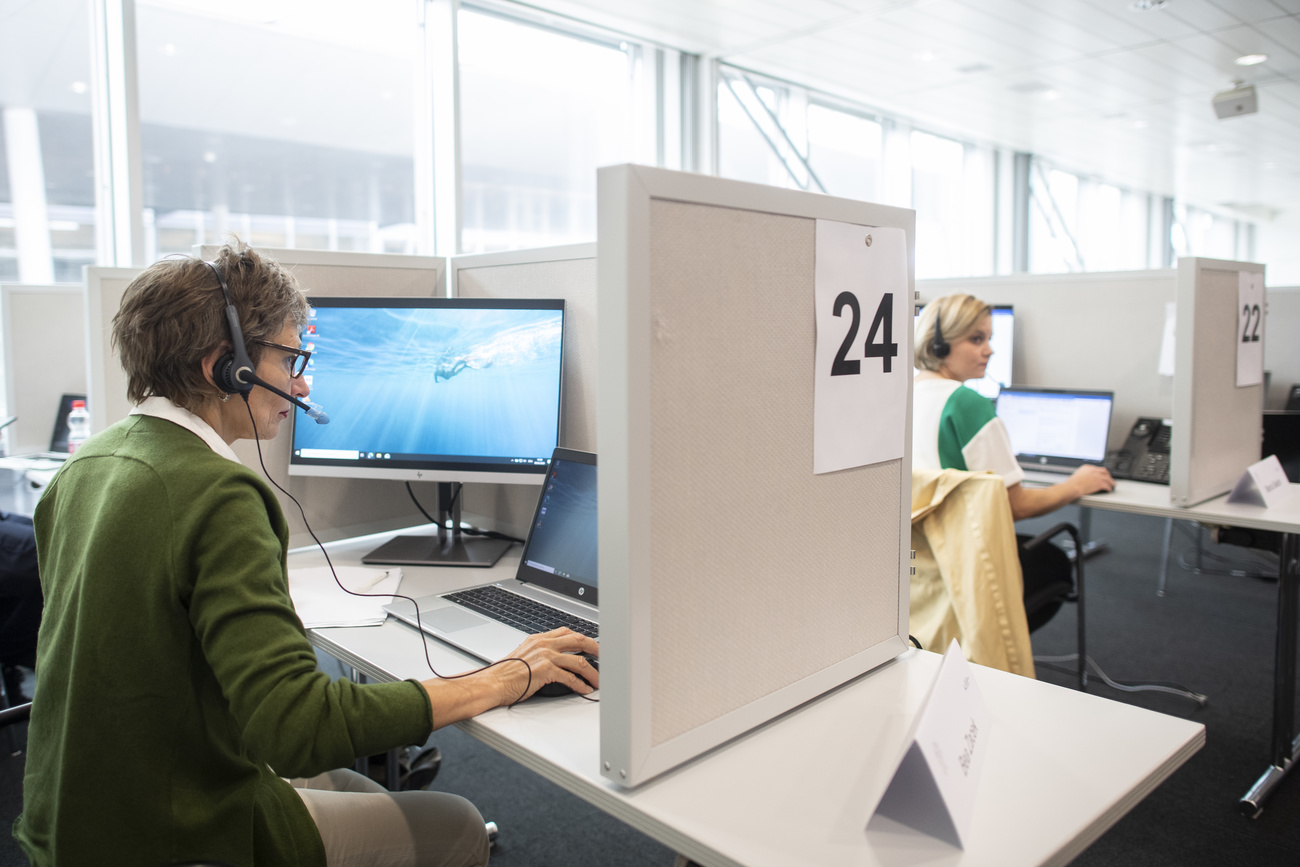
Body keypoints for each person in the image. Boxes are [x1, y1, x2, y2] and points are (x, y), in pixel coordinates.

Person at [16, 242, 599, 867]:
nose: (301, 383)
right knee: (455, 823)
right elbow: (298, 730)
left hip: (74, 819)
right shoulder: (217, 494)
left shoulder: (87, 465)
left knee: (357, 789)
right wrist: (505, 677)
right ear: (227, 368)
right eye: (292, 359)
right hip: (171, 831)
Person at [912, 293, 1114, 627]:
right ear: (938, 345)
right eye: (977, 339)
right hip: (963, 567)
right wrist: (1075, 485)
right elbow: (1013, 506)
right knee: (1053, 561)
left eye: (989, 339)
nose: (989, 350)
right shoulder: (967, 404)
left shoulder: (902, 394)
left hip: (912, 568)